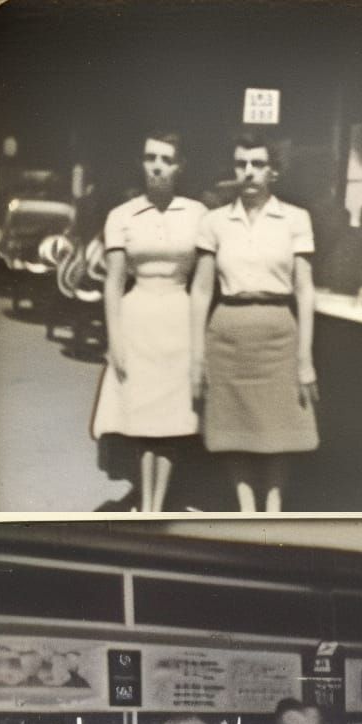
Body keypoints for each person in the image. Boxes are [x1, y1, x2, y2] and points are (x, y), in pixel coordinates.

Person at [190, 131, 319, 512]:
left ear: (273, 171)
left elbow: (305, 290)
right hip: (226, 331)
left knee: (280, 424)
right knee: (233, 422)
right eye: (241, 164)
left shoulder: (295, 219)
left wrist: (305, 359)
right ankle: (245, 503)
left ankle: (274, 503)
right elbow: (200, 290)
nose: (248, 172)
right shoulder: (214, 222)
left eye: (258, 164)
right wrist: (197, 357)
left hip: (279, 330)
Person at [91, 131, 205, 512]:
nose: (156, 166)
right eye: (150, 158)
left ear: (179, 166)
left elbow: (207, 279)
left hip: (179, 319)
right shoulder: (122, 216)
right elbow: (113, 283)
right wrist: (115, 341)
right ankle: (146, 500)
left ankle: (158, 502)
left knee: (172, 419)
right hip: (137, 319)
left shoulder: (197, 214)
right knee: (141, 418)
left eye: (165, 159)